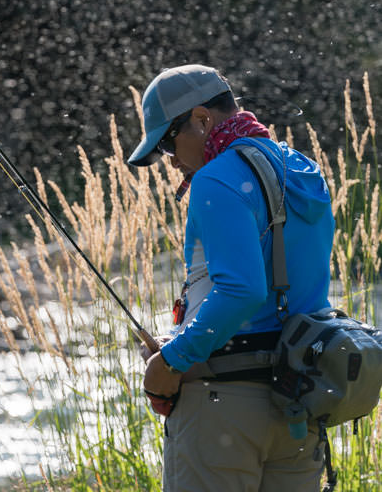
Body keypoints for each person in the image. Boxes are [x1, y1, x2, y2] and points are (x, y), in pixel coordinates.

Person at [127, 64, 335, 492]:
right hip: (300, 403)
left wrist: (170, 362)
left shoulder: (215, 179)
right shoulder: (305, 170)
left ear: (202, 119)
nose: (172, 160)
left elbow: (242, 291)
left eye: (168, 143)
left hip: (223, 406)